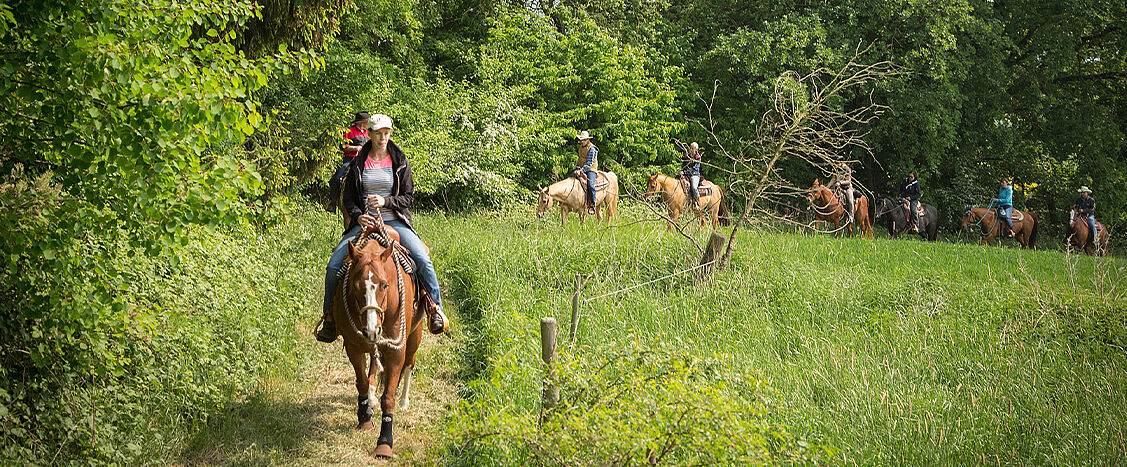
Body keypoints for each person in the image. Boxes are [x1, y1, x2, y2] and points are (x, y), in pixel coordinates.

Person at [316, 114, 448, 343]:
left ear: (390, 134)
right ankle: (329, 318)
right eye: (378, 133)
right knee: (333, 266)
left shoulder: (399, 161)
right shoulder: (358, 163)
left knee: (422, 259)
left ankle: (434, 308)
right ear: (370, 134)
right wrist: (359, 217)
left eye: (386, 133)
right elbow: (349, 201)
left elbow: (408, 197)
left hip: (395, 221)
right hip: (364, 224)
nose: (382, 138)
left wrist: (386, 202)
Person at [328, 111, 371, 213]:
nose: (368, 124)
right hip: (351, 160)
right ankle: (332, 202)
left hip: (367, 160)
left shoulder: (369, 133)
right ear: (361, 122)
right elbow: (344, 146)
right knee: (338, 177)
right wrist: (356, 148)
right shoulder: (349, 131)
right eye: (367, 122)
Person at [572, 131, 598, 215]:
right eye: (581, 140)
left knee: (590, 185)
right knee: (570, 178)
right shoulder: (581, 148)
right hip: (582, 168)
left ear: (587, 140)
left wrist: (581, 171)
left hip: (591, 170)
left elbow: (589, 164)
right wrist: (577, 168)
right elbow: (580, 159)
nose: (582, 142)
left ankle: (592, 204)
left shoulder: (592, 149)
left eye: (583, 140)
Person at [681, 142, 702, 209]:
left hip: (694, 174)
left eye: (693, 148)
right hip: (686, 174)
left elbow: (694, 169)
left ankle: (696, 202)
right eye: (690, 148)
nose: (691, 150)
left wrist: (684, 172)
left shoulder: (697, 157)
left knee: (693, 187)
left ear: (696, 150)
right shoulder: (687, 156)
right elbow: (683, 165)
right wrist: (682, 171)